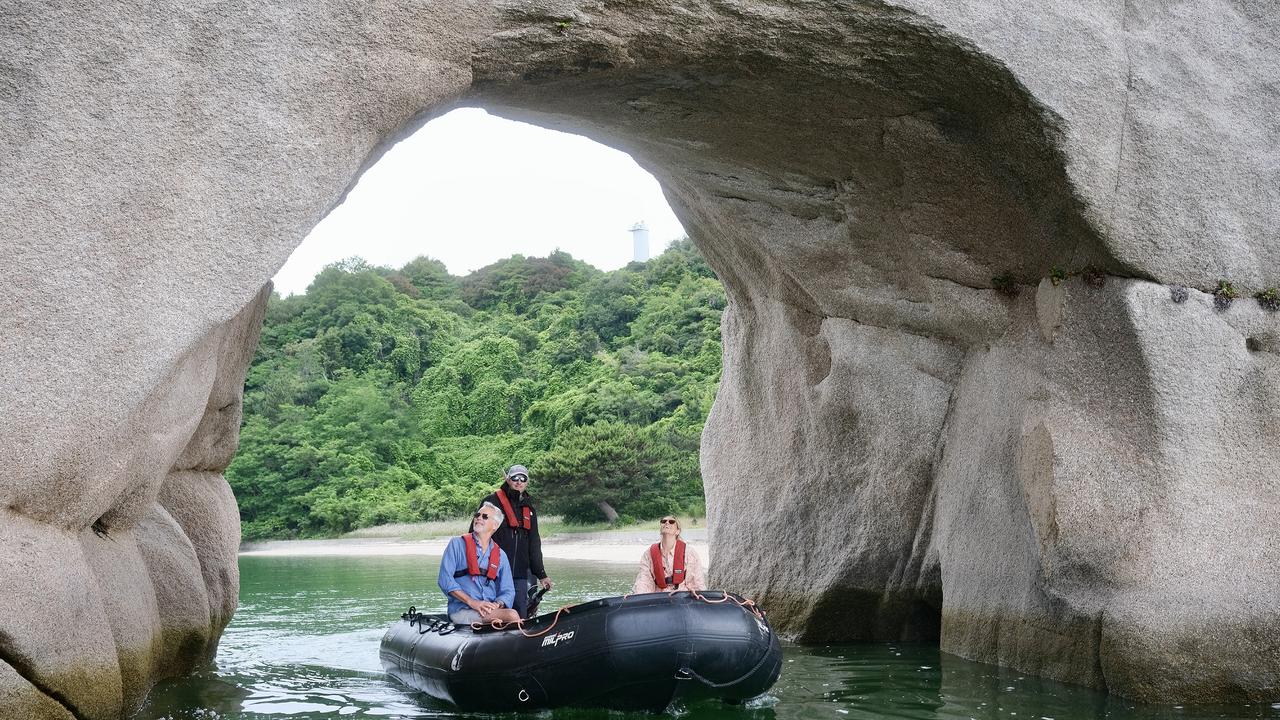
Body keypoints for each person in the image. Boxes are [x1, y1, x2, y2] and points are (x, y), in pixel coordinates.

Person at [478, 464, 553, 618]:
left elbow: (534, 544)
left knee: (520, 613)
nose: (519, 482)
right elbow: (475, 534)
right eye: (515, 478)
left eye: (523, 478)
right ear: (507, 479)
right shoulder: (491, 502)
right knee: (493, 612)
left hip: (519, 573)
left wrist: (542, 575)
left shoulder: (529, 509)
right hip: (493, 572)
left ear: (527, 482)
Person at [438, 501, 521, 625]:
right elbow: (444, 580)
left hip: (489, 612)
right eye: (477, 515)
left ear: (495, 525)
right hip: (462, 610)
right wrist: (472, 602)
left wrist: (497, 605)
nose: (479, 518)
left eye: (485, 516)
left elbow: (508, 590)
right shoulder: (456, 544)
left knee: (508, 614)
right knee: (511, 615)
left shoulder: (500, 555)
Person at [631, 515, 707, 594]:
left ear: (677, 531)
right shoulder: (648, 554)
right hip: (658, 598)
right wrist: (636, 596)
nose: (667, 523)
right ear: (661, 528)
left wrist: (700, 595)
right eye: (663, 521)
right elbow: (644, 581)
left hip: (681, 598)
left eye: (671, 522)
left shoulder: (689, 553)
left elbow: (696, 581)